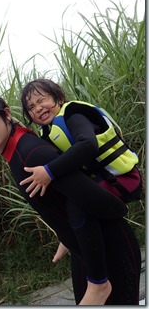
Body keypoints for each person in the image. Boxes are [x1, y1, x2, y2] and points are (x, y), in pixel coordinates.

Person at [0, 93, 141, 305]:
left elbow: (105, 204)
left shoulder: (32, 154)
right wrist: (67, 233)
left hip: (110, 255)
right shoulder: (19, 152)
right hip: (88, 254)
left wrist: (97, 278)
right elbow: (65, 200)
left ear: (7, 115)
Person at [20, 78, 142, 260]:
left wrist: (49, 171)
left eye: (41, 100)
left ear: (59, 98)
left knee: (77, 205)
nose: (37, 108)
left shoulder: (73, 115)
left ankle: (90, 267)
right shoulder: (48, 134)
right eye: (30, 107)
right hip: (103, 181)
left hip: (124, 179)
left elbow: (88, 145)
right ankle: (71, 239)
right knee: (71, 200)